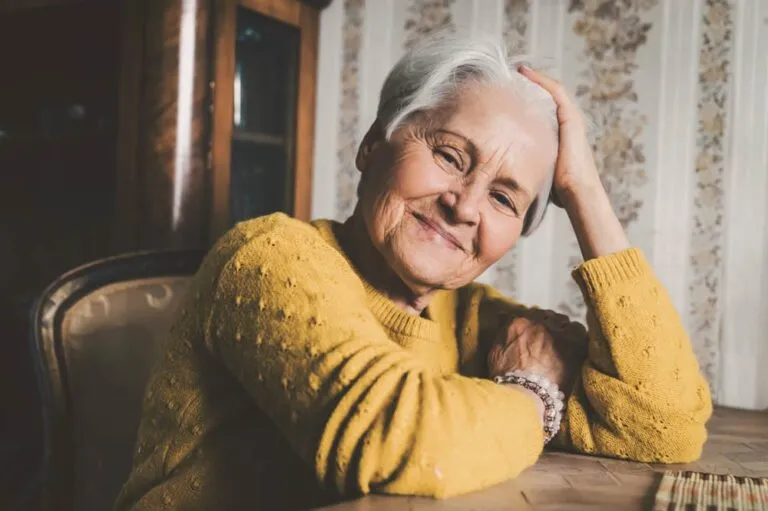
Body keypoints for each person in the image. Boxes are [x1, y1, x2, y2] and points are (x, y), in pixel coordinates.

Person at [115, 34, 712, 510]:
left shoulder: (472, 316)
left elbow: (663, 424)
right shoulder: (270, 257)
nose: (466, 206)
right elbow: (387, 438)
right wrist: (533, 397)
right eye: (449, 156)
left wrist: (585, 192)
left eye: (505, 199)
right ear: (372, 145)